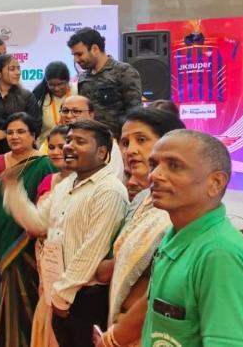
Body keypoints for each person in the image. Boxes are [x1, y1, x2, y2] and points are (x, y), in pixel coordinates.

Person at [3, 120, 127, 347]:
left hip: (85, 295)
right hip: (59, 289)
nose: (68, 146)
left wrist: (62, 295)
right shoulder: (66, 185)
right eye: (69, 140)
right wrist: (13, 190)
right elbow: (37, 223)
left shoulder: (109, 190)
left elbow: (92, 249)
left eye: (80, 141)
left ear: (101, 152)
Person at [136, 130, 243, 347]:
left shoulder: (220, 253)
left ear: (215, 182)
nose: (155, 175)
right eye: (154, 164)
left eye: (174, 165)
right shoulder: (176, 236)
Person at [91, 108, 184, 347]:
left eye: (141, 140)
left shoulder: (181, 209)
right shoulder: (144, 199)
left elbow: (158, 292)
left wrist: (114, 338)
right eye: (125, 143)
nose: (130, 150)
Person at [0, 112, 56, 347]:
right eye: (10, 132)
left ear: (33, 135)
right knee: (3, 298)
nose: (14, 136)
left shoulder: (45, 164)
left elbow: (47, 209)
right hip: (1, 242)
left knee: (28, 299)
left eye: (21, 131)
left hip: (30, 245)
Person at [31, 125, 71, 347]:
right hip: (46, 252)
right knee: (46, 303)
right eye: (51, 147)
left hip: (70, 257)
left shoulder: (86, 183)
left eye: (61, 147)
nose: (55, 152)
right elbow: (35, 225)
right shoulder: (49, 180)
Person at [68, 28, 142, 137]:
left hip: (117, 141)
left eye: (79, 54)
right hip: (89, 141)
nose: (76, 60)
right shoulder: (83, 78)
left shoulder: (123, 72)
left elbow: (135, 113)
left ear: (95, 49)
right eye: (74, 55)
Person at [42, 95, 124, 180]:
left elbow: (112, 178)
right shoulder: (52, 140)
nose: (69, 115)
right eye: (65, 111)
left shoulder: (105, 142)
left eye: (76, 111)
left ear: (91, 115)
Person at [0, 54, 41, 154]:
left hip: (23, 151)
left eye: (18, 68)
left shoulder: (27, 96)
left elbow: (36, 126)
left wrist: (6, 134)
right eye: (12, 69)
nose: (17, 73)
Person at [32, 61, 76, 144]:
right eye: (51, 85)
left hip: (74, 145)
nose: (56, 88)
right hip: (47, 147)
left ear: (68, 80)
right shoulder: (39, 97)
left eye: (60, 84)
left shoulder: (78, 91)